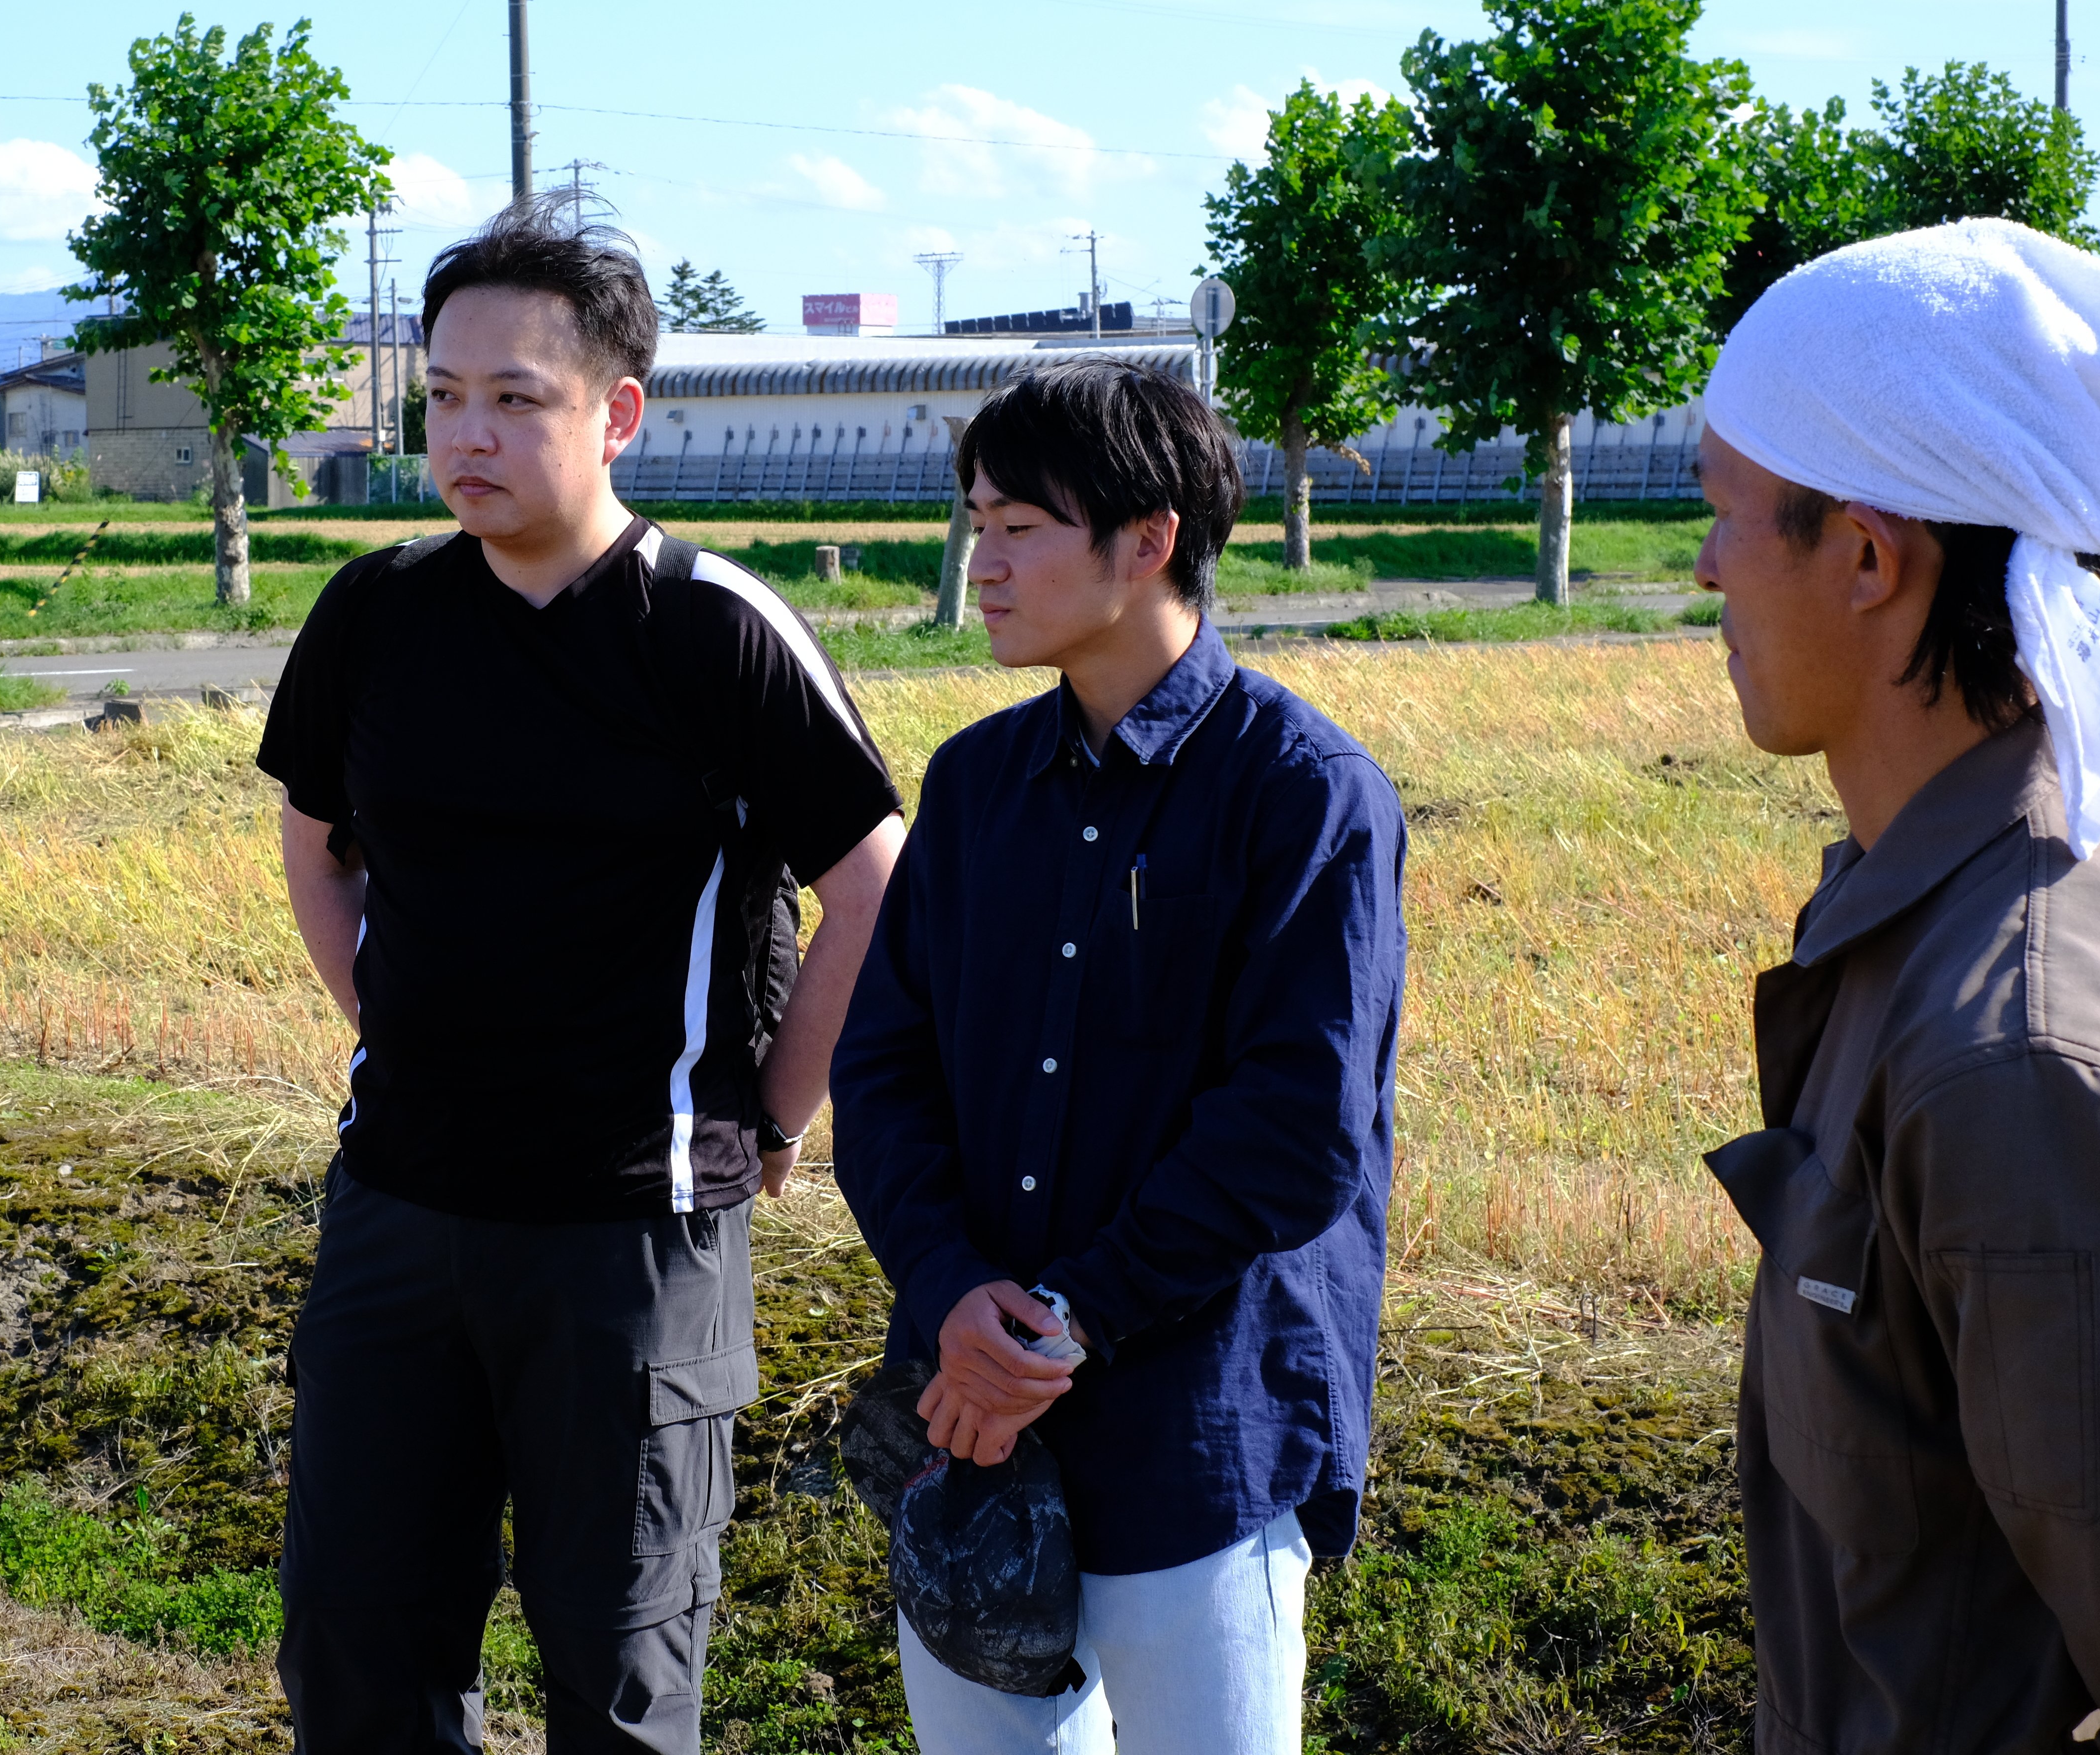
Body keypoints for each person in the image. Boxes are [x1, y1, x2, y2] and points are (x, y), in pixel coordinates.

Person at [257, 193, 908, 1754]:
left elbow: (876, 886)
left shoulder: (713, 630)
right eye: (443, 398)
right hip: (398, 1213)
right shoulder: (379, 612)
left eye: (516, 399)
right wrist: (389, 1028)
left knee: (617, 1674)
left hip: (632, 1239)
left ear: (617, 414)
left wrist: (778, 1110)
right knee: (354, 1649)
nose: (467, 435)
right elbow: (315, 841)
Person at [831, 366, 1405, 1754]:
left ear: (1149, 540)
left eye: (1020, 526)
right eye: (977, 522)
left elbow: (1299, 1129)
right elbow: (884, 1073)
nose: (983, 562)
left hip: (1193, 1435)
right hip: (970, 1425)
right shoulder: (973, 787)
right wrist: (954, 1292)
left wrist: (1068, 1317)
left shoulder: (1302, 792)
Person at [1692, 218, 2100, 1748]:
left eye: (1726, 514)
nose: (1703, 566)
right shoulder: (1904, 925)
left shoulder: (2007, 1055)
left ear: (1870, 558)